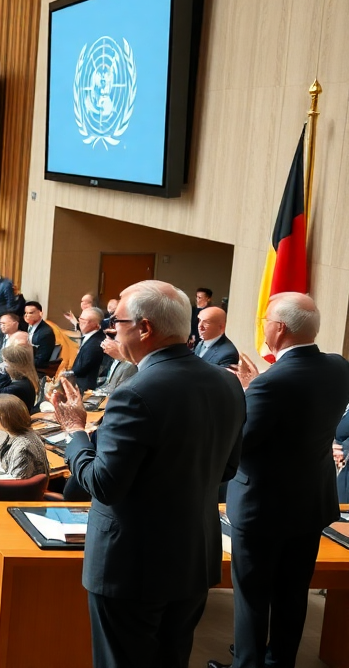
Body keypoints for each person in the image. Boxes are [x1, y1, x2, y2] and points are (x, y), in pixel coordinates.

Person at [50, 280, 243, 668]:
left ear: (144, 328)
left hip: (131, 566)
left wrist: (76, 435)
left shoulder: (135, 392)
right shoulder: (227, 382)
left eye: (116, 321)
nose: (111, 329)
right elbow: (228, 468)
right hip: (192, 558)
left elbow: (105, 484)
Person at [211, 293, 349, 668]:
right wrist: (257, 387)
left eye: (266, 319)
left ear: (280, 328)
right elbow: (298, 417)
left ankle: (248, 664)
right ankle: (280, 661)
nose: (264, 325)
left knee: (252, 597)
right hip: (312, 502)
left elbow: (241, 445)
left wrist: (246, 395)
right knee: (292, 593)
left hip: (262, 509)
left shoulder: (270, 385)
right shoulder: (339, 367)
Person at [0, 393, 49, 478]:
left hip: (22, 490)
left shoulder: (24, 447)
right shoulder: (10, 434)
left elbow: (17, 486)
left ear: (4, 417)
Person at [0, 342, 38, 410]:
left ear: (13, 365)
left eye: (5, 361)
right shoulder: (23, 379)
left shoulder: (14, 389)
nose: (2, 365)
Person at [69, 307, 107, 391]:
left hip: (85, 388)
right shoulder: (91, 336)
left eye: (84, 321)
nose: (80, 323)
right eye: (80, 319)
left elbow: (80, 369)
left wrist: (67, 374)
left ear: (97, 325)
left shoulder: (95, 344)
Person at [24, 300, 55, 372]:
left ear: (40, 313)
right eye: (26, 313)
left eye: (31, 313)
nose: (27, 315)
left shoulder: (46, 333)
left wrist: (23, 365)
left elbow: (41, 359)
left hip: (36, 368)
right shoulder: (26, 325)